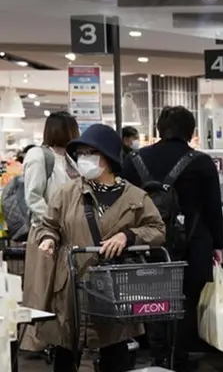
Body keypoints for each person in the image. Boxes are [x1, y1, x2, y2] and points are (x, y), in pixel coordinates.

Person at [34, 124, 165, 372]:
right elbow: (48, 224)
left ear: (107, 157)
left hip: (113, 286)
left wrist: (128, 236)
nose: (83, 159)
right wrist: (48, 238)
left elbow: (157, 230)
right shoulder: (67, 193)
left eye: (90, 152)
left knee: (113, 349)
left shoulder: (135, 197)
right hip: (71, 282)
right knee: (66, 348)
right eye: (81, 153)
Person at [120, 106, 223, 371]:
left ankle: (158, 355)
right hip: (193, 241)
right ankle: (178, 355)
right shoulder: (200, 162)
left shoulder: (135, 160)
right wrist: (218, 244)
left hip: (147, 242)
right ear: (191, 131)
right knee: (186, 299)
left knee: (152, 298)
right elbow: (213, 206)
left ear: (158, 129)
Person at [20, 112, 80, 353]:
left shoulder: (69, 159)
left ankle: (56, 339)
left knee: (60, 291)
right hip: (45, 234)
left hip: (67, 235)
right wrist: (52, 224)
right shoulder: (39, 156)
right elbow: (33, 196)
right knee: (40, 289)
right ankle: (33, 341)